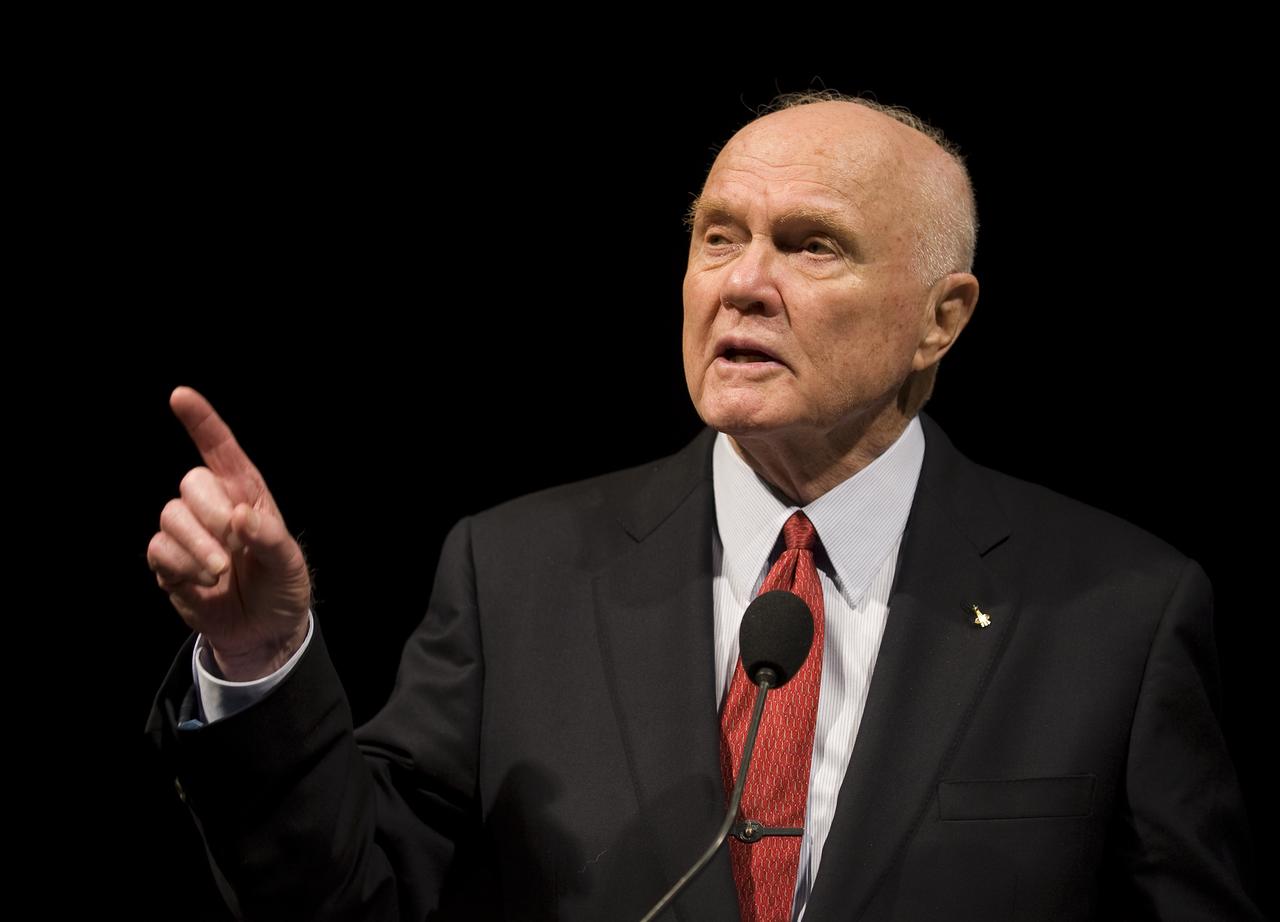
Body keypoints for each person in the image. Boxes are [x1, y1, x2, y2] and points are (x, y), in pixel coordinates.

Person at [146, 92, 1262, 920]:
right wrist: (260, 659)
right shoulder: (515, 573)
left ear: (941, 318)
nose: (742, 283)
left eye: (811, 245)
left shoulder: (1117, 612)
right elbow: (344, 899)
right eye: (718, 236)